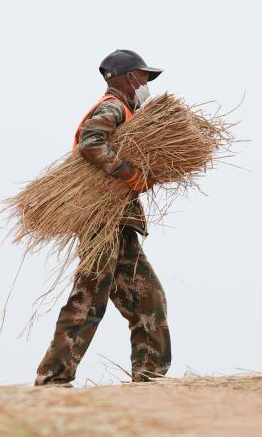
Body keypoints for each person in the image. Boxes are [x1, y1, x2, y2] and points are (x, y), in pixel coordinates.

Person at [34, 49, 172, 386]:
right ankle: (52, 380)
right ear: (127, 77)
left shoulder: (128, 113)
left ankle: (150, 377)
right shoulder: (113, 106)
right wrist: (128, 173)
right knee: (89, 297)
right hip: (100, 224)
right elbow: (91, 142)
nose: (145, 84)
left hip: (120, 223)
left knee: (148, 299)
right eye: (143, 77)